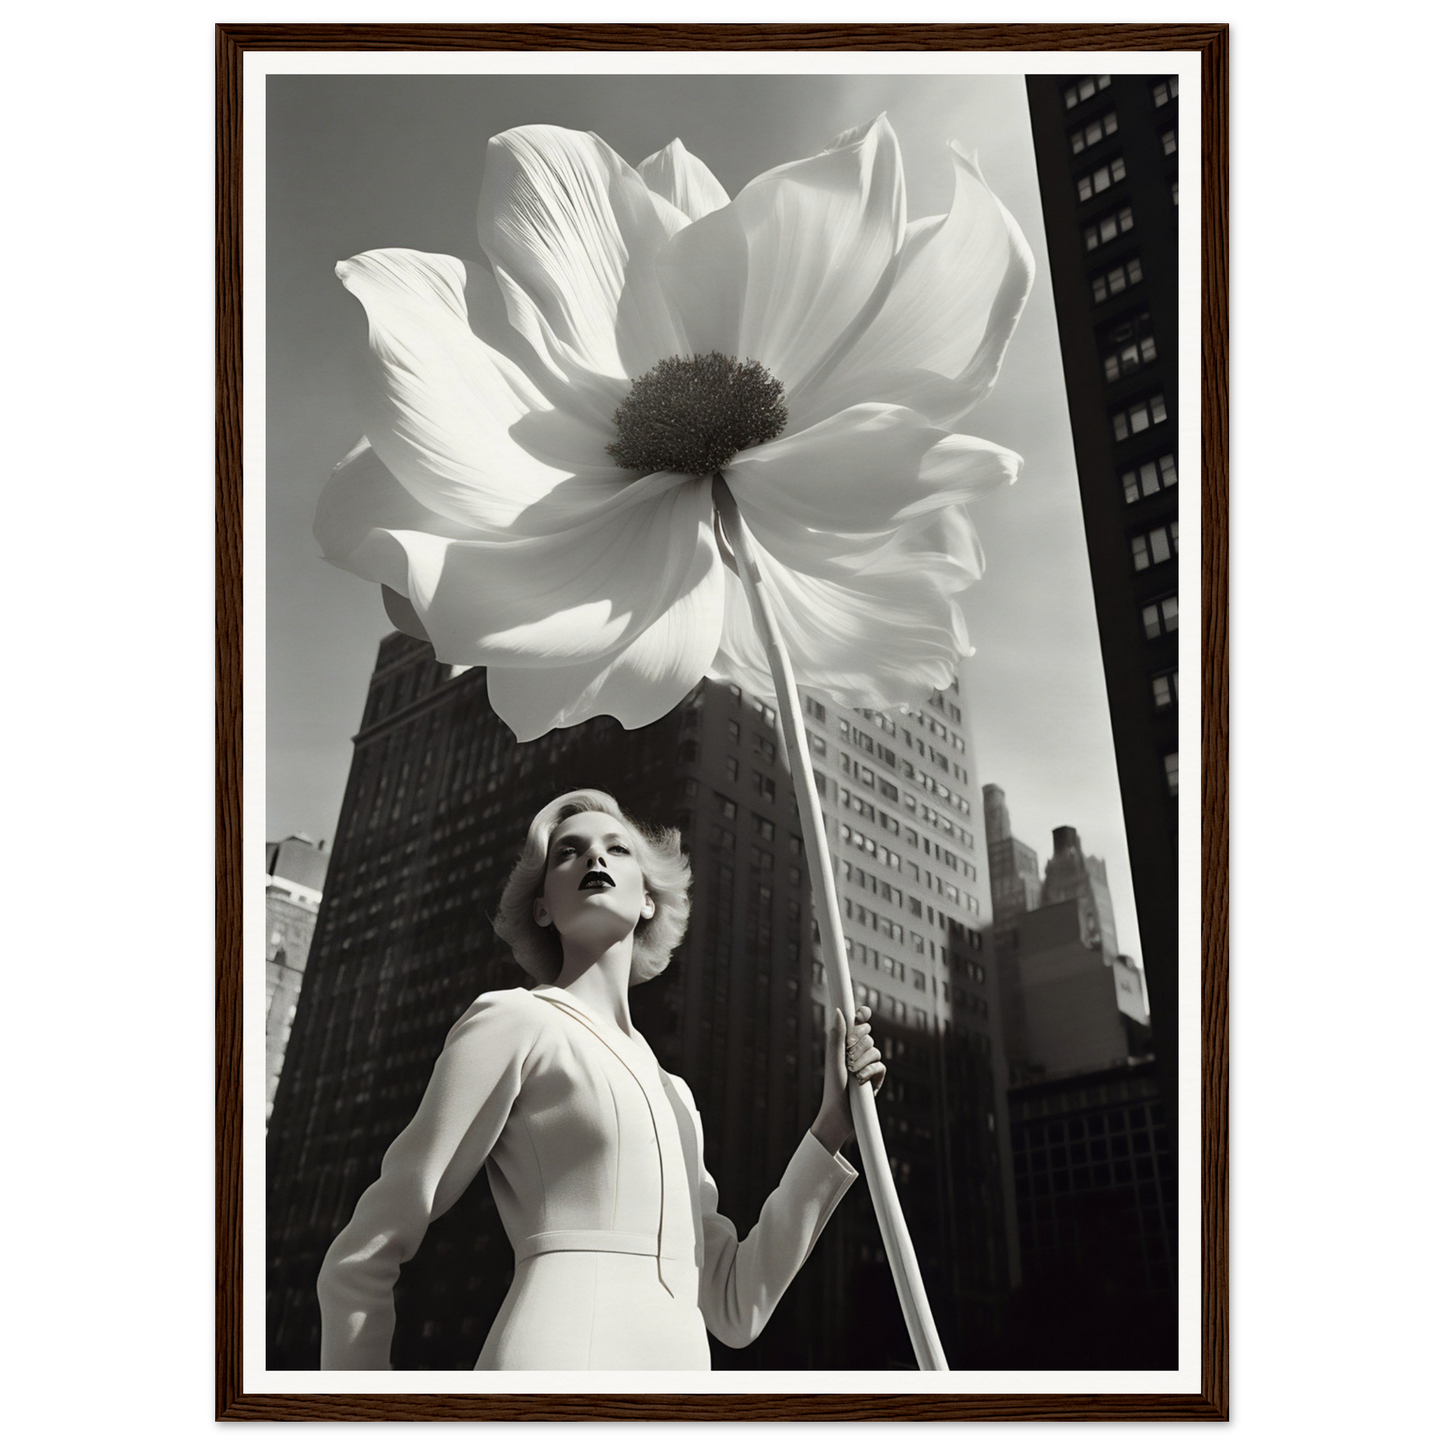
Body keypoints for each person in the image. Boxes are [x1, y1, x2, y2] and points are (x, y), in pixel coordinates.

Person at [317, 788, 885, 1370]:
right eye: (569, 852)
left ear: (648, 901)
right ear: (542, 907)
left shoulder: (675, 1093)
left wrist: (831, 1126)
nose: (595, 859)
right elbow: (365, 1253)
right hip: (555, 1368)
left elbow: (735, 1308)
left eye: (617, 849)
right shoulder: (516, 1020)